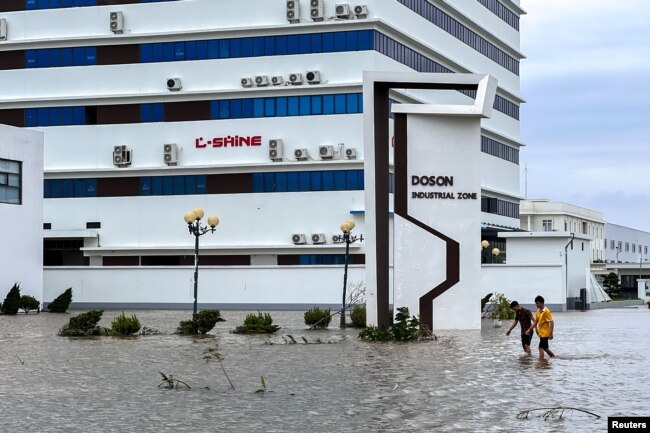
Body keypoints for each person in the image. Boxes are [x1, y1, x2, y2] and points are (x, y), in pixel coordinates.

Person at [527, 295, 555, 359]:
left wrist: (551, 333)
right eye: (536, 303)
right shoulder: (538, 311)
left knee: (540, 347)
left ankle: (541, 361)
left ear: (542, 303)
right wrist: (529, 329)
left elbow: (551, 322)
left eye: (537, 303)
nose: (536, 305)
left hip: (545, 333)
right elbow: (535, 322)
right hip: (541, 333)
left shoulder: (546, 311)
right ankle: (553, 357)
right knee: (545, 348)